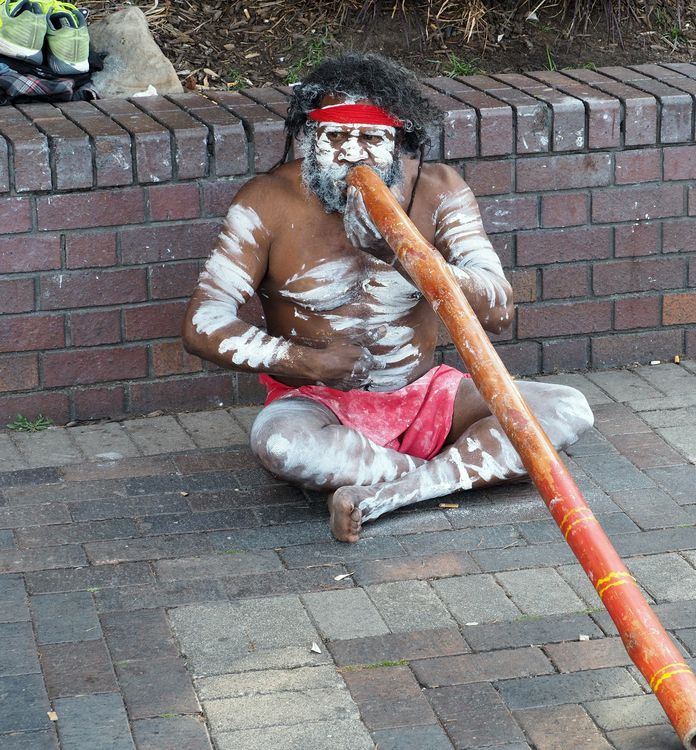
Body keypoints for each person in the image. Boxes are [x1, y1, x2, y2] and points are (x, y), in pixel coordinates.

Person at [182, 53, 594, 543]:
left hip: (428, 395)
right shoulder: (266, 201)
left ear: (401, 141)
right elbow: (202, 324)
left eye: (372, 140)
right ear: (307, 139)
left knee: (568, 410)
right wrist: (308, 362)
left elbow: (499, 311)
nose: (352, 155)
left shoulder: (439, 191)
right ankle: (454, 471)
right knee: (282, 447)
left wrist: (405, 255)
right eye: (333, 138)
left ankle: (388, 494)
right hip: (316, 403)